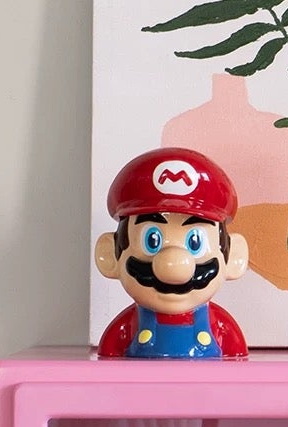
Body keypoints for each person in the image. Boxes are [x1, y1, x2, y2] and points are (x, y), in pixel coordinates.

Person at [95, 147, 250, 359]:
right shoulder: (126, 328)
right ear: (110, 255)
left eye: (195, 242)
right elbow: (105, 375)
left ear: (233, 257)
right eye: (152, 240)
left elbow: (240, 374)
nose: (174, 265)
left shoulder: (221, 328)